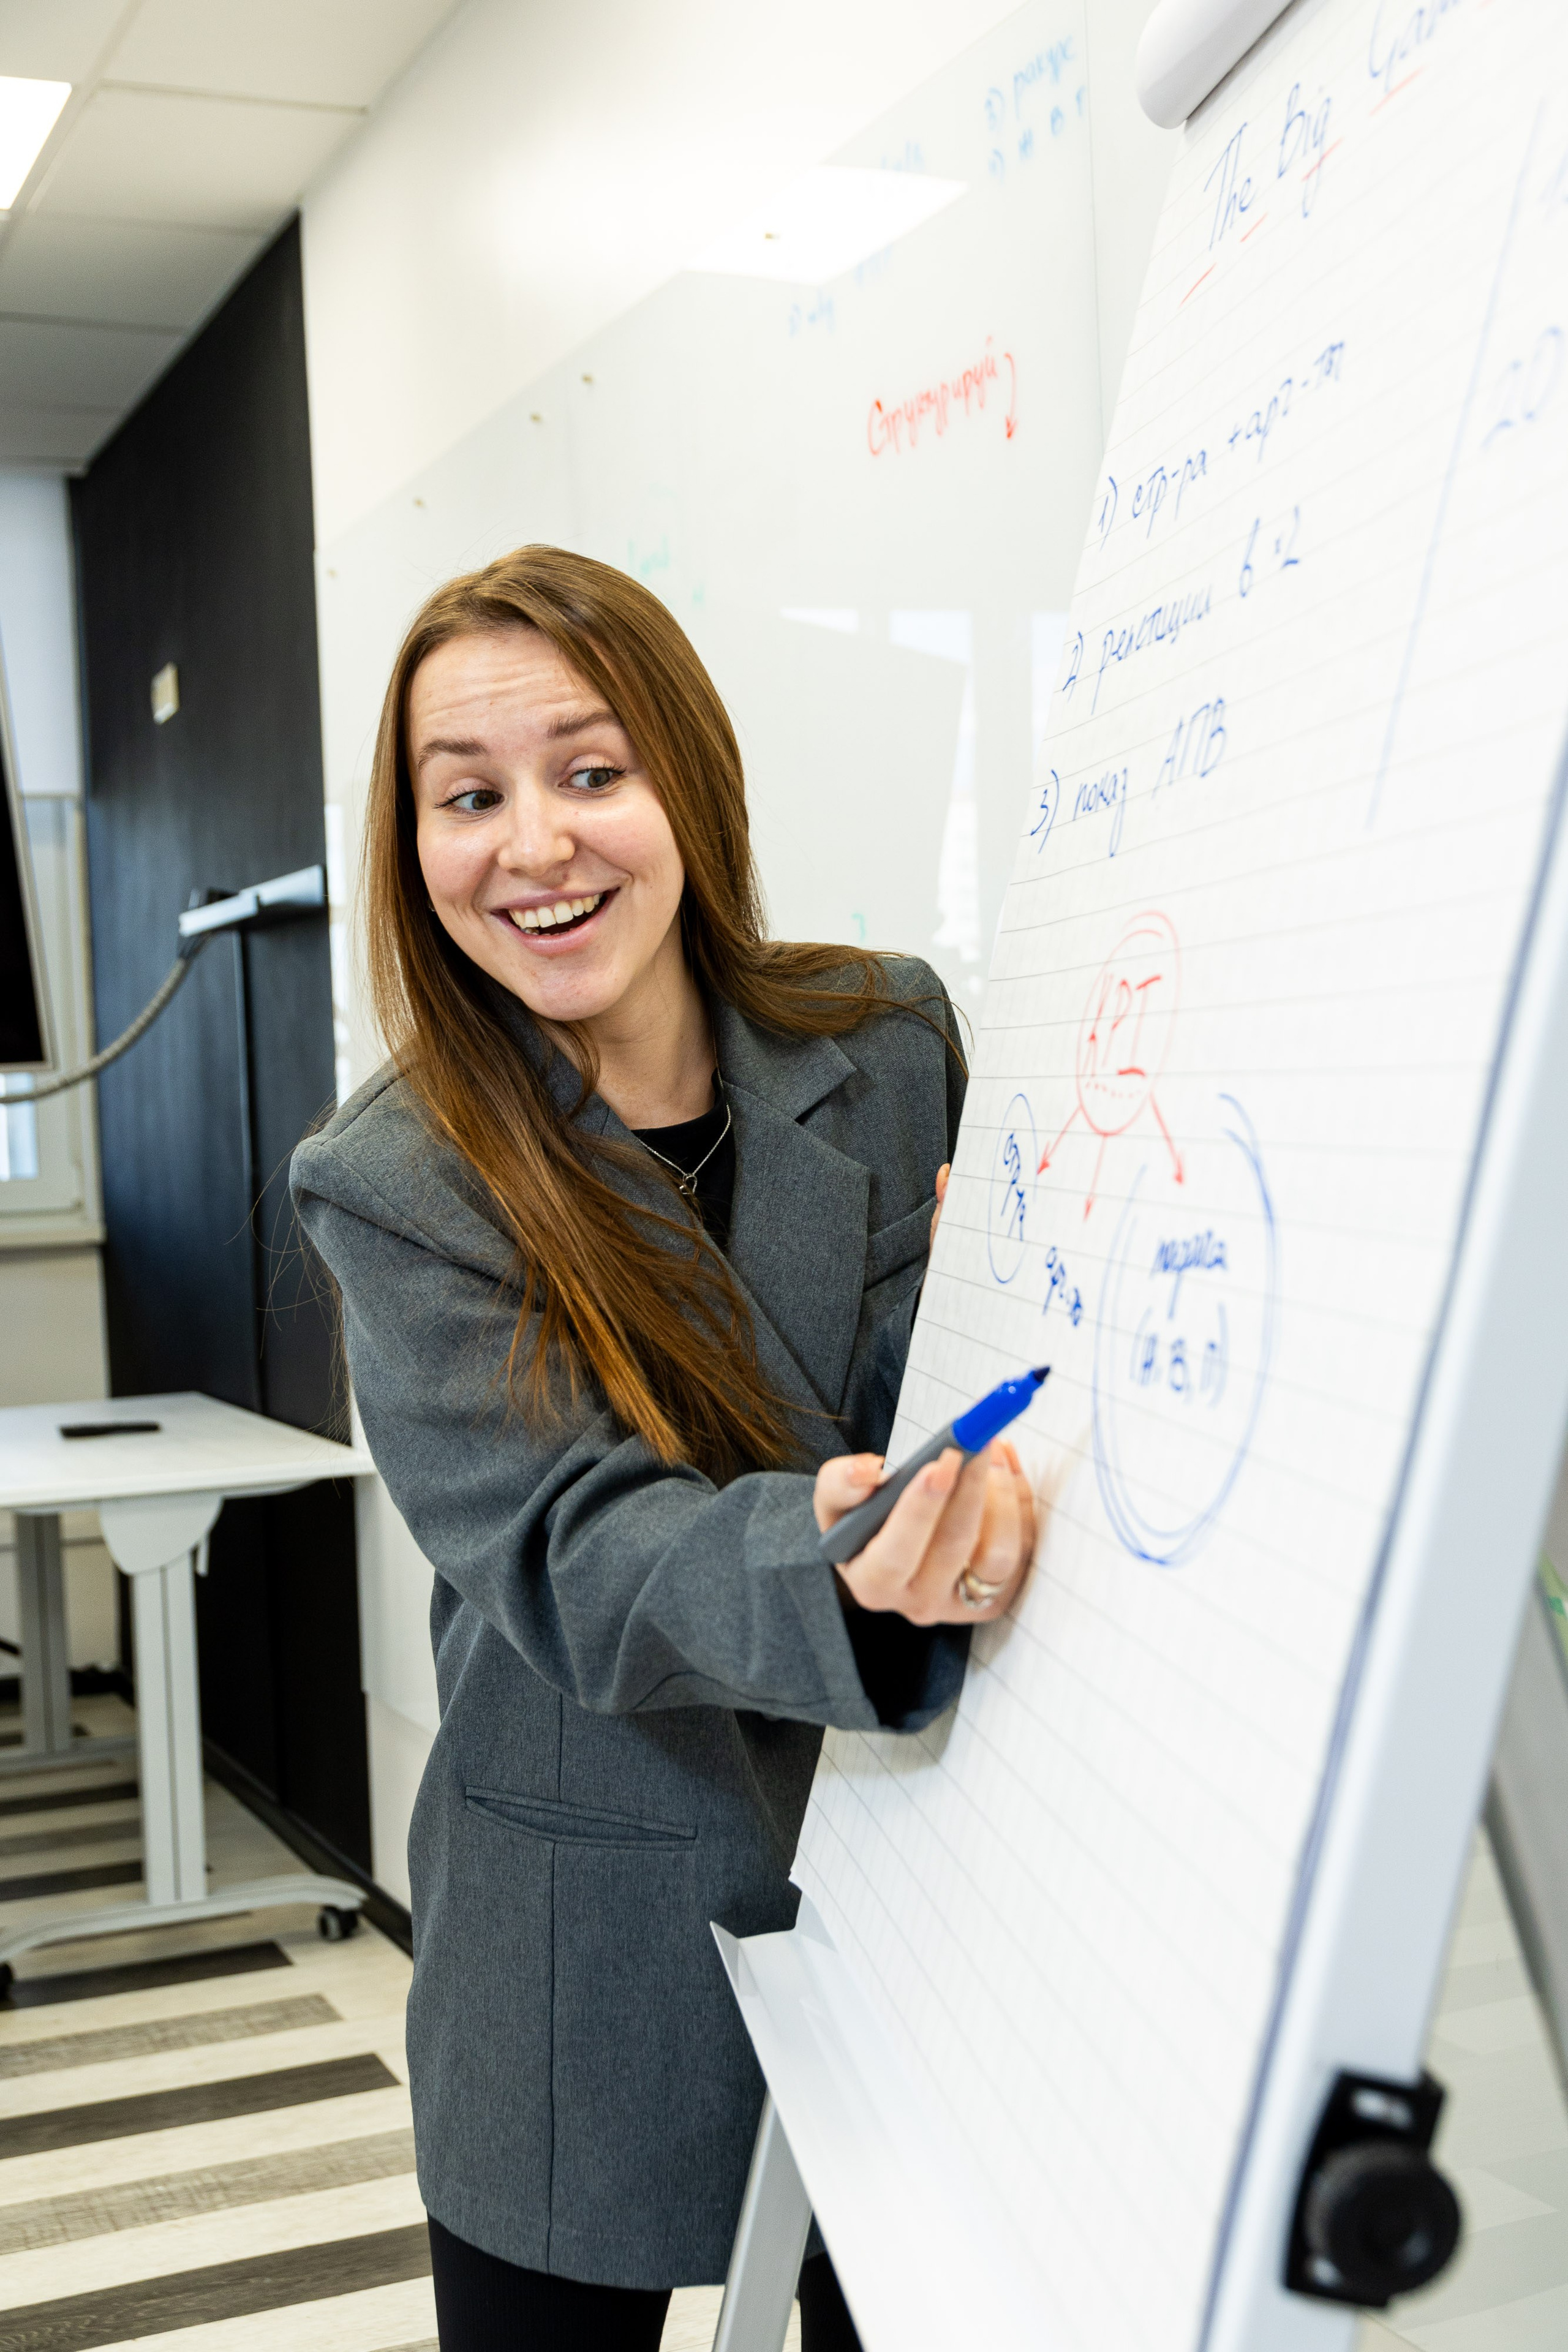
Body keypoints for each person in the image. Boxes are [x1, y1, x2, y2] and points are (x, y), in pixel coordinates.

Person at [292, 546, 1036, 2351]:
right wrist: (839, 1551)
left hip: (919, 1865)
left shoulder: (890, 1034)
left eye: (592, 771)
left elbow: (977, 1361)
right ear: (418, 849)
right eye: (469, 797)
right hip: (594, 1911)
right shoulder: (397, 1180)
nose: (535, 843)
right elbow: (581, 1547)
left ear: (685, 780)